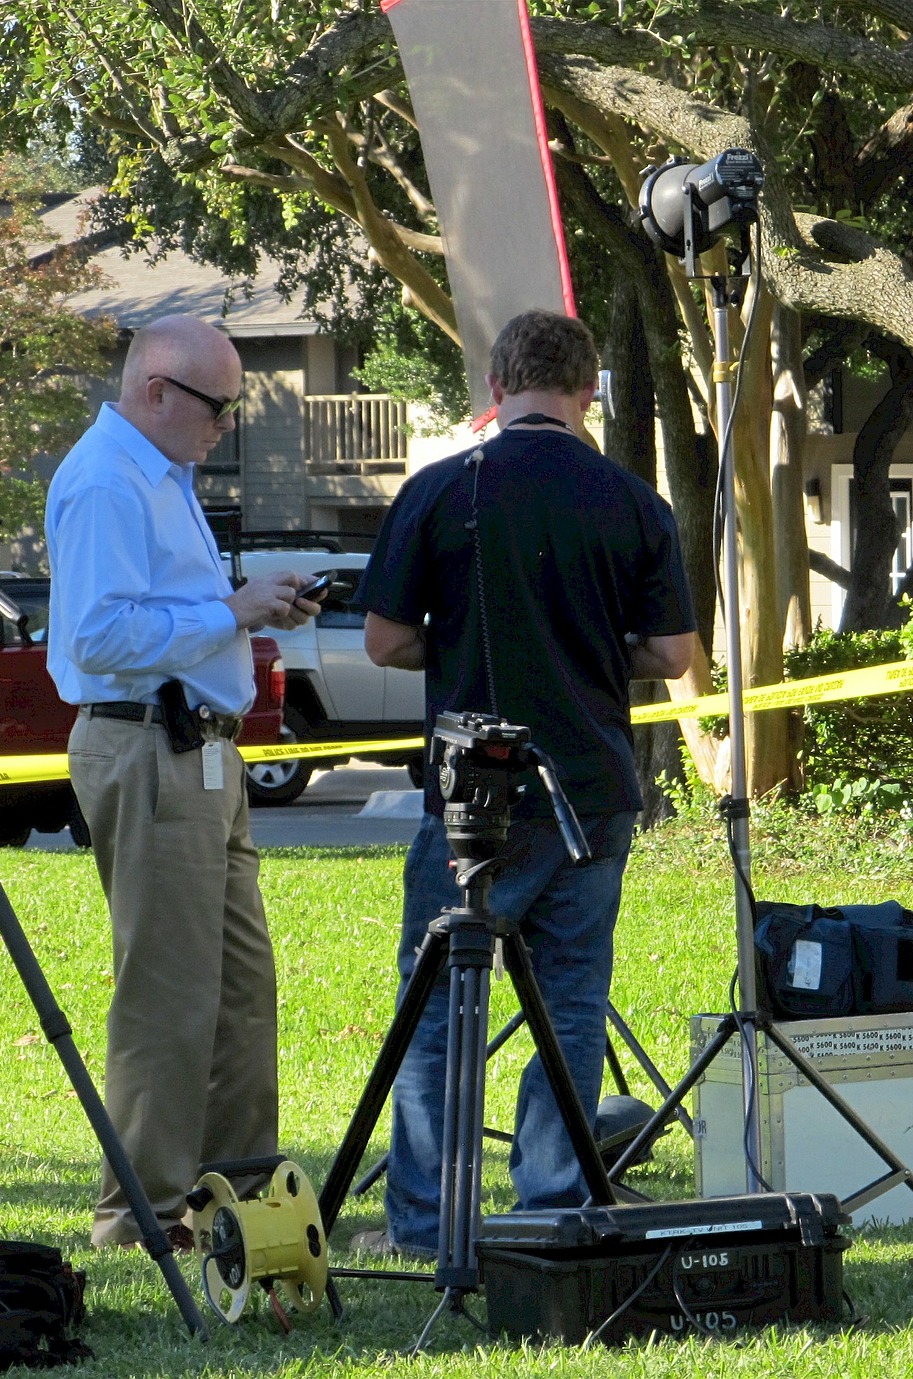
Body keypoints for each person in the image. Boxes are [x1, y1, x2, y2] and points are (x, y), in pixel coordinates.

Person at [356, 309, 696, 1254]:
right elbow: (674, 653)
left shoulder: (438, 489)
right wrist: (595, 653)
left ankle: (425, 1222)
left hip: (477, 795)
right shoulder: (633, 501)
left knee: (437, 1006)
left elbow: (383, 639)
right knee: (571, 1004)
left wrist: (459, 645)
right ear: (588, 390)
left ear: (496, 387)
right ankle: (552, 1206)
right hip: (591, 789)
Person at [46, 315, 321, 1248]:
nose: (225, 425)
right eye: (218, 406)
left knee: (241, 987)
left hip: (202, 752)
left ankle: (232, 1197)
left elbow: (169, 615)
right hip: (149, 745)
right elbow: (98, 637)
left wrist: (249, 607)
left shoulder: (162, 476)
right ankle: (141, 1213)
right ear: (156, 389)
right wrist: (233, 609)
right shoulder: (106, 480)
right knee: (168, 994)